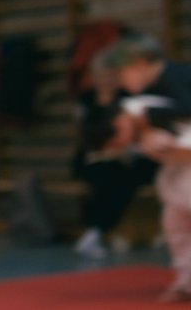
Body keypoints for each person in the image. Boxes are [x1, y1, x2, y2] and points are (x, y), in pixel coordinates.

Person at [105, 32, 191, 302]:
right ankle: (187, 280)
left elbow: (186, 108)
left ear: (139, 64)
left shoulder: (175, 76)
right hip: (177, 160)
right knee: (174, 220)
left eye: (121, 72)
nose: (120, 80)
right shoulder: (150, 90)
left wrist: (143, 118)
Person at [71, 50, 158, 260]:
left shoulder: (129, 98)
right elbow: (86, 136)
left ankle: (99, 230)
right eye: (101, 76)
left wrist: (127, 148)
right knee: (108, 174)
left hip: (129, 156)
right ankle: (99, 230)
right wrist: (105, 149)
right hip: (97, 157)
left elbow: (141, 132)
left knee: (123, 175)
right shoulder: (86, 101)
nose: (106, 80)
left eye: (111, 75)